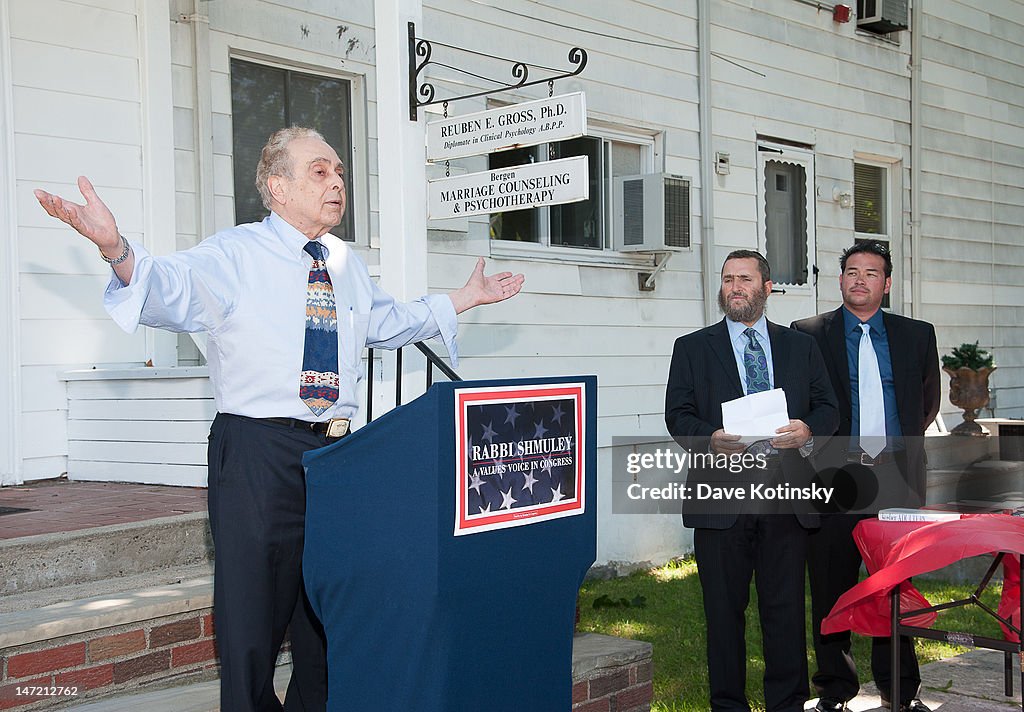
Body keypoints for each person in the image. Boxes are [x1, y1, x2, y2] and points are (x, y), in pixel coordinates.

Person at [34, 126, 524, 712]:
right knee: (253, 621)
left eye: (339, 171)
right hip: (258, 453)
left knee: (326, 612)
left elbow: (385, 321)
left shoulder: (342, 262)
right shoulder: (234, 254)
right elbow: (170, 288)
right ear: (277, 186)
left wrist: (463, 298)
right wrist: (118, 250)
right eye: (320, 171)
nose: (337, 181)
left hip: (337, 457)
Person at [665, 250, 838, 712]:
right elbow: (678, 416)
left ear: (767, 287)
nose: (734, 287)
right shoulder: (693, 348)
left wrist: (807, 432)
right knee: (723, 616)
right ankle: (728, 705)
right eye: (727, 280)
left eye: (745, 278)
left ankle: (787, 704)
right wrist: (710, 438)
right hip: (722, 500)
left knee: (784, 613)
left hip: (785, 496)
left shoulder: (800, 346)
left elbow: (828, 409)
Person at [792, 240, 939, 712]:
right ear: (840, 281)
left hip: (895, 477)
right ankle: (833, 690)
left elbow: (927, 401)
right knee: (831, 585)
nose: (860, 279)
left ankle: (901, 691)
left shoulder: (917, 334)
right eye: (851, 272)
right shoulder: (809, 333)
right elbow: (805, 404)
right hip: (835, 478)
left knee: (895, 585)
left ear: (887, 283)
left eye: (871, 273)